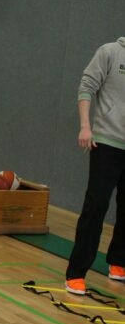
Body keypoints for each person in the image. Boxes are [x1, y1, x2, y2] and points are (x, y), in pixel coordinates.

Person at [65, 37, 125, 295]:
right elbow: (86, 87)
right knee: (96, 206)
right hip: (106, 143)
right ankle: (76, 273)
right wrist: (85, 126)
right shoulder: (110, 52)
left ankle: (119, 262)